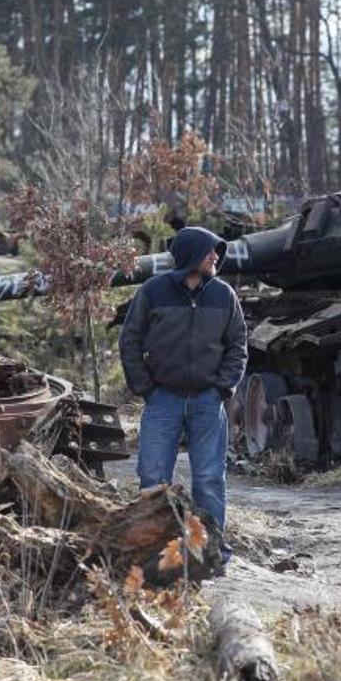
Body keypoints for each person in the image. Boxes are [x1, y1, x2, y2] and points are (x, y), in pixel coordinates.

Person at [118, 226, 247, 563]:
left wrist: (222, 388)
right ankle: (155, 553)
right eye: (209, 251)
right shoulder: (153, 291)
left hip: (208, 400)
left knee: (208, 480)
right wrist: (145, 388)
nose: (216, 256)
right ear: (191, 255)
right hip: (163, 399)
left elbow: (238, 346)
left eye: (217, 251)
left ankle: (210, 552)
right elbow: (129, 341)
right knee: (153, 478)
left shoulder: (223, 295)